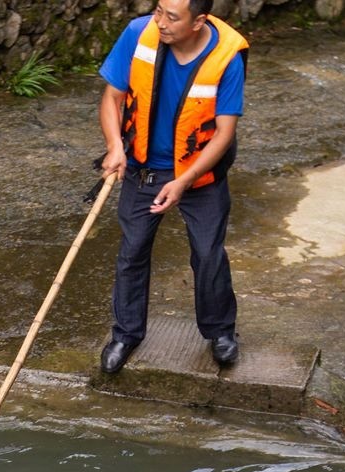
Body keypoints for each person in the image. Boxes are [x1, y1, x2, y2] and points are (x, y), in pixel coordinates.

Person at [96, 0, 249, 375]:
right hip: (143, 169)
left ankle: (220, 332)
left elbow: (224, 134)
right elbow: (112, 98)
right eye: (158, 10)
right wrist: (116, 145)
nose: (160, 22)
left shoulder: (227, 56)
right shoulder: (138, 33)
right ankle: (126, 334)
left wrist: (183, 181)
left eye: (172, 16)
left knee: (208, 253)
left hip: (199, 174)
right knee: (132, 252)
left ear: (199, 21)